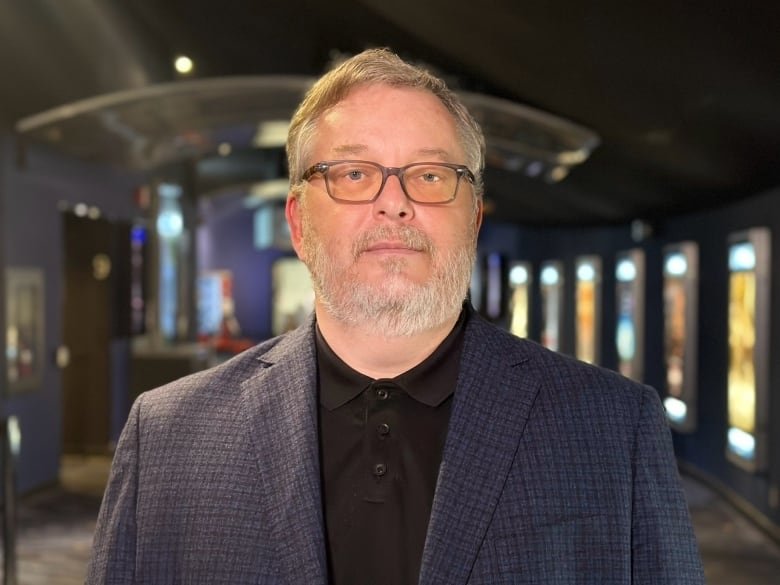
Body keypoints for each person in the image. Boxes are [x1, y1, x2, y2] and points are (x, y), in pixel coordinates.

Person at [87, 48, 705, 584]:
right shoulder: (168, 437)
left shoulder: (612, 429)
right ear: (299, 224)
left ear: (474, 218)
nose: (395, 204)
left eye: (430, 175)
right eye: (354, 174)